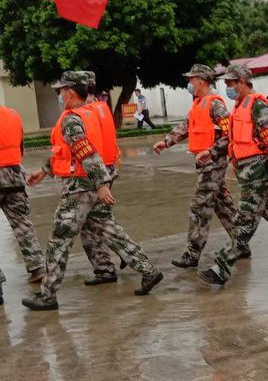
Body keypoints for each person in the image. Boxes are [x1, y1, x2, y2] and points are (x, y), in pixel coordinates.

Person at [22, 71, 163, 311]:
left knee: (59, 239)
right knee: (108, 229)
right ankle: (148, 270)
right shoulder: (92, 111)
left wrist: (101, 184)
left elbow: (86, 152)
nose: (58, 94)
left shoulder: (72, 119)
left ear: (70, 92)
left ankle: (47, 295)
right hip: (91, 182)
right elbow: (67, 151)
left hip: (80, 186)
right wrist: (46, 170)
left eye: (61, 90)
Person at [198, 65, 268, 286]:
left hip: (258, 172)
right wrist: (211, 152)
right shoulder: (239, 106)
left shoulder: (258, 105)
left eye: (231, 83)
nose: (228, 87)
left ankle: (222, 266)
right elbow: (232, 139)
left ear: (242, 81)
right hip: (247, 170)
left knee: (245, 219)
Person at [153, 64, 250, 268]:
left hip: (212, 163)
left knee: (199, 207)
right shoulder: (198, 103)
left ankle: (193, 253)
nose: (188, 83)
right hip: (204, 162)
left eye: (191, 79)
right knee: (222, 205)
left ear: (201, 81)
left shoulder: (215, 105)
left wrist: (212, 151)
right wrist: (167, 141)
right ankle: (241, 244)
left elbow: (228, 133)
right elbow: (187, 126)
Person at [80, 71, 125, 285]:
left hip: (96, 172)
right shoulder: (101, 106)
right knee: (103, 218)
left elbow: (86, 146)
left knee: (92, 224)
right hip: (108, 166)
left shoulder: (86, 111)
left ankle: (106, 268)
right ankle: (125, 254)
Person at [0, 105, 45, 283]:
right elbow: (20, 145)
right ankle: (37, 267)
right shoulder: (13, 114)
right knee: (22, 224)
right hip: (15, 174)